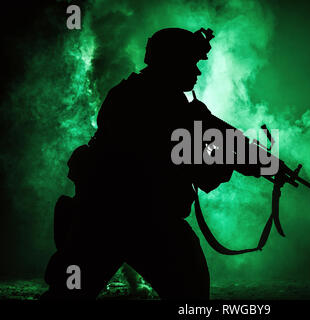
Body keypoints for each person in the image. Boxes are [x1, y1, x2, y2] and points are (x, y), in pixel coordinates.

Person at [41, 27, 252, 300]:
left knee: (67, 295)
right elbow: (197, 166)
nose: (197, 72)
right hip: (143, 222)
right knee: (191, 295)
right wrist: (236, 157)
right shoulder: (165, 104)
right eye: (191, 62)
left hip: (100, 218)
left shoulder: (134, 93)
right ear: (172, 61)